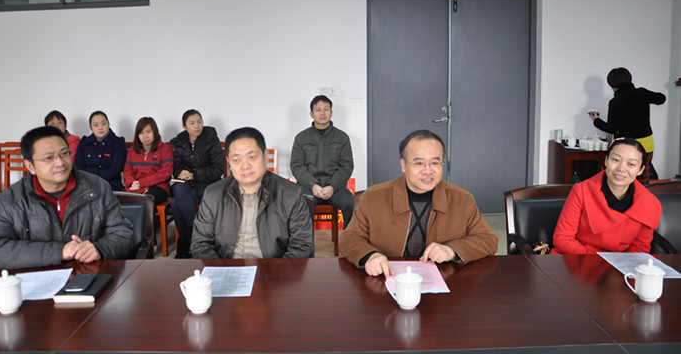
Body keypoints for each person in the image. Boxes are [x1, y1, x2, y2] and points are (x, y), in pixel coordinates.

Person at [339, 130, 498, 278]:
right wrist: (370, 255)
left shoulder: (462, 199)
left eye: (435, 163)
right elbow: (349, 238)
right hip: (387, 279)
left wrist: (451, 250)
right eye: (419, 163)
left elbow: (488, 240)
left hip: (444, 281)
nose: (428, 171)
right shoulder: (374, 197)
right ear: (403, 164)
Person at [0, 126, 133, 270]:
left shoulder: (98, 188)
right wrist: (59, 252)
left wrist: (100, 249)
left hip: (87, 276)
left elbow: (123, 233)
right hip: (32, 281)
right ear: (30, 166)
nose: (60, 162)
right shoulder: (10, 200)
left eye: (64, 153)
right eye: (49, 158)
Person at [191, 127, 313, 259]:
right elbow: (201, 244)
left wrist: (277, 271)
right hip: (226, 267)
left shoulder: (291, 194)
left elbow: (302, 246)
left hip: (274, 269)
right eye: (236, 159)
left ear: (265, 156)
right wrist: (221, 269)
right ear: (229, 162)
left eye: (252, 157)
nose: (245, 166)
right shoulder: (213, 194)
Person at [552, 138, 661, 254]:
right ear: (606, 160)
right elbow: (563, 239)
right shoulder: (581, 191)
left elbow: (639, 249)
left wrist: (619, 264)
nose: (621, 169)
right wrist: (598, 261)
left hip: (620, 263)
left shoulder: (650, 203)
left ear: (640, 170)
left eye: (631, 164)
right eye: (616, 160)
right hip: (577, 257)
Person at [589, 67, 666, 184]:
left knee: (626, 179)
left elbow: (611, 128)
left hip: (628, 145)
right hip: (647, 142)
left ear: (612, 85)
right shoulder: (642, 93)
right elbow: (661, 98)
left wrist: (596, 120)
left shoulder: (615, 102)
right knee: (643, 178)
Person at [291, 94, 355, 227]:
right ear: (311, 114)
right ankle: (306, 240)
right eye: (318, 110)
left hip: (336, 189)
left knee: (350, 203)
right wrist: (313, 185)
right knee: (302, 203)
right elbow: (296, 166)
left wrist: (332, 186)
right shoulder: (301, 138)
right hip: (309, 188)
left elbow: (347, 166)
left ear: (331, 112)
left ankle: (349, 239)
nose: (322, 113)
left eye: (326, 109)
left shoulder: (342, 137)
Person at [170, 109, 225, 258]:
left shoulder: (210, 138)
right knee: (178, 189)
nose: (197, 126)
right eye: (192, 123)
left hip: (208, 185)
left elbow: (218, 169)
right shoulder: (180, 141)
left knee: (175, 203)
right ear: (184, 126)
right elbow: (176, 167)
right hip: (188, 186)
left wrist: (194, 175)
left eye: (199, 121)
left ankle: (185, 244)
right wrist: (183, 174)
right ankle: (195, 238)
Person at [123, 117, 173, 206]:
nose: (145, 136)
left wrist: (141, 183)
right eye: (141, 133)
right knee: (119, 201)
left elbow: (165, 173)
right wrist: (132, 183)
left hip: (158, 187)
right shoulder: (132, 150)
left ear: (155, 132)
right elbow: (127, 171)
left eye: (148, 132)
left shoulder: (165, 149)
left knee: (144, 201)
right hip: (136, 187)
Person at [74, 111, 127, 191]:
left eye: (103, 124)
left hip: (110, 185)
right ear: (91, 128)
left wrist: (96, 182)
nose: (100, 128)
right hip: (86, 185)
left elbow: (116, 168)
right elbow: (79, 166)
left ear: (108, 124)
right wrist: (87, 182)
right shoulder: (84, 142)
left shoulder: (118, 142)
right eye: (96, 125)